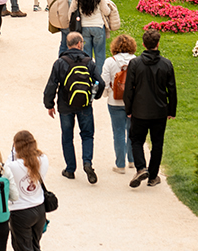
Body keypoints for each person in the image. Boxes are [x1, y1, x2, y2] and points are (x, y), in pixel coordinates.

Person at [44, 31, 100, 183]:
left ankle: (70, 169)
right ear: (80, 44)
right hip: (85, 104)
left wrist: (49, 104)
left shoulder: (60, 62)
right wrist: (94, 96)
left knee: (67, 136)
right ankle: (87, 162)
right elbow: (99, 82)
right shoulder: (89, 61)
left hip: (65, 104)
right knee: (87, 135)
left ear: (68, 44)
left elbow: (51, 85)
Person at [125, 28, 178, 188]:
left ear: (143, 44)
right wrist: (171, 110)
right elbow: (172, 90)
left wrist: (128, 109)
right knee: (157, 144)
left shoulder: (135, 63)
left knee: (136, 140)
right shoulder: (166, 64)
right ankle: (153, 176)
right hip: (159, 111)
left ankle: (141, 167)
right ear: (158, 43)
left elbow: (129, 89)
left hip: (139, 110)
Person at [5, 130, 52, 251]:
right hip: (39, 209)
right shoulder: (43, 160)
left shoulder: (13, 166)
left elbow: (4, 167)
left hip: (20, 212)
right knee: (35, 247)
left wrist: (11, 153)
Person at [100, 34, 139, 174]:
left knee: (118, 132)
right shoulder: (136, 61)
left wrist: (107, 93)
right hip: (133, 102)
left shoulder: (110, 62)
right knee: (132, 131)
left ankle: (120, 164)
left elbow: (104, 81)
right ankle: (132, 160)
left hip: (114, 101)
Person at [74, 0, 118, 71]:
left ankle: (88, 76)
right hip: (98, 27)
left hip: (84, 27)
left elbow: (71, 11)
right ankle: (99, 79)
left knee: (86, 55)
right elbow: (106, 11)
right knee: (100, 55)